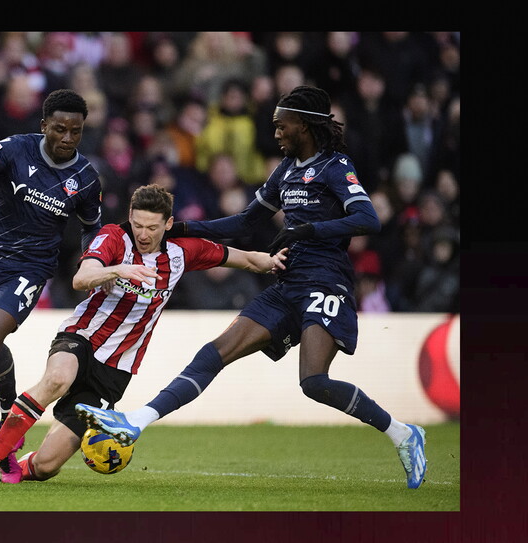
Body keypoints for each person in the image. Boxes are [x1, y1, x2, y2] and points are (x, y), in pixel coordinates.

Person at [76, 85, 428, 489]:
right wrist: (180, 229)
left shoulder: (335, 166)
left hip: (326, 281)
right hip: (288, 281)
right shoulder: (286, 171)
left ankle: (403, 434)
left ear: (305, 125)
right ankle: (136, 422)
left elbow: (368, 219)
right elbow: (244, 223)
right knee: (214, 352)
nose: (275, 133)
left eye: (282, 126)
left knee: (314, 382)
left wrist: (308, 230)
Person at [0, 184, 286, 485]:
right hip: (82, 336)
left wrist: (274, 261)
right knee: (57, 379)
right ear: (130, 217)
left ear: (168, 224)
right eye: (138, 224)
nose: (143, 234)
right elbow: (81, 278)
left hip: (116, 368)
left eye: (152, 227)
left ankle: (16, 465)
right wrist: (116, 269)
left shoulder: (183, 253)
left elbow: (245, 260)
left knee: (46, 467)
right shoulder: (114, 237)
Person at [0, 89, 105, 485]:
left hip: (29, 267)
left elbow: (93, 229)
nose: (67, 138)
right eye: (60, 129)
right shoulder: (16, 149)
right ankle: (3, 449)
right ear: (43, 127)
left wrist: (93, 262)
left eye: (76, 131)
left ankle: (8, 408)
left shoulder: (85, 178)